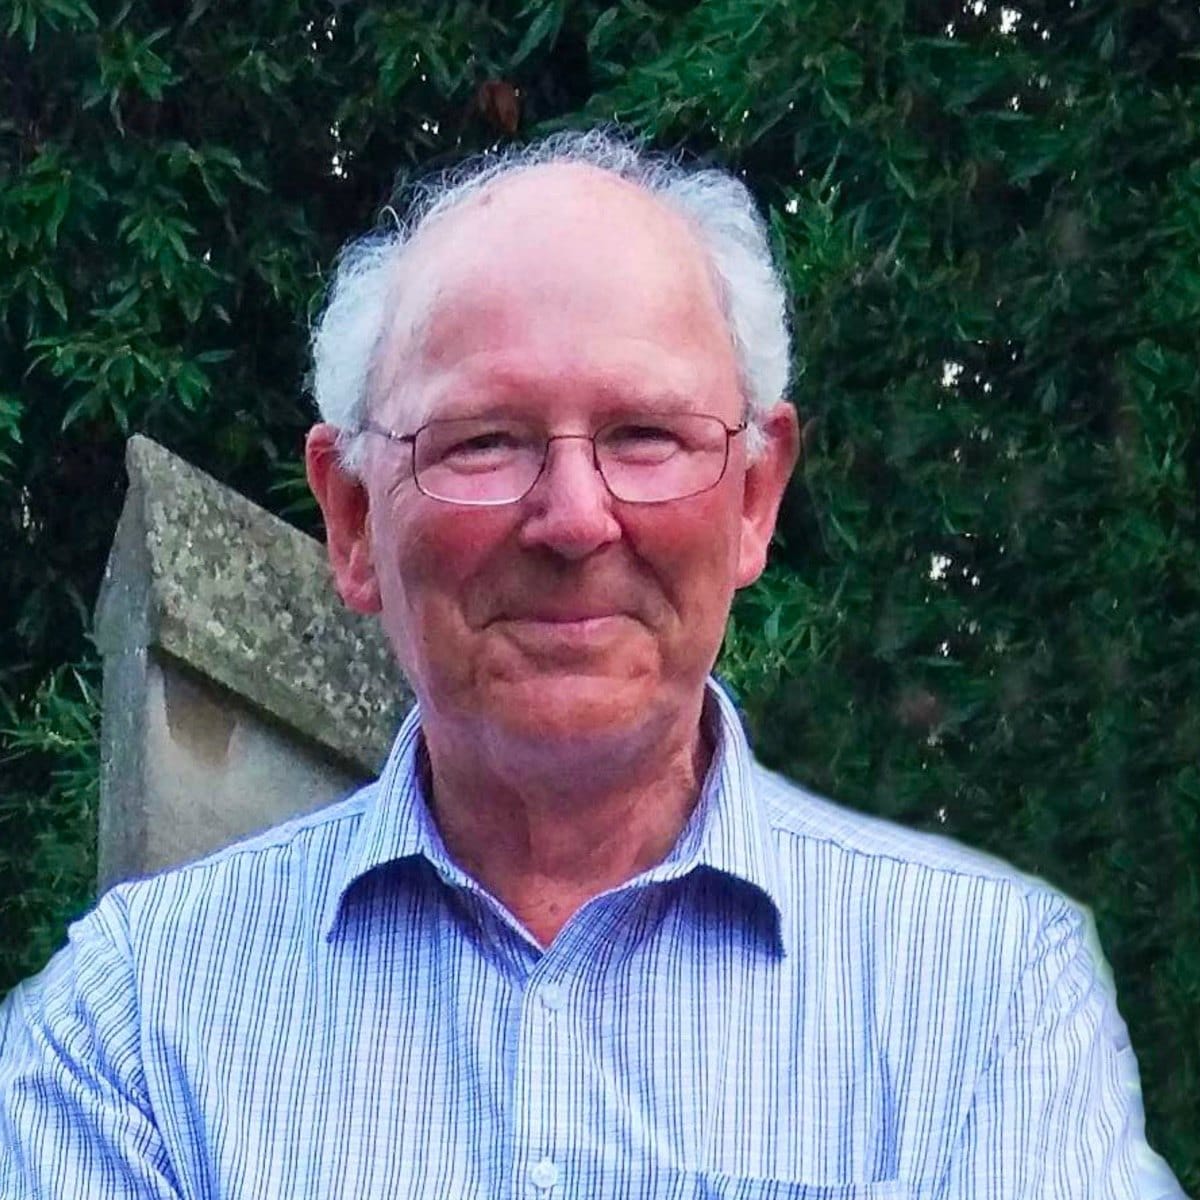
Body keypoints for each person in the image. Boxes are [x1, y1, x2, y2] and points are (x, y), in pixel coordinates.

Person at [0, 131, 1185, 1200]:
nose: (574, 518)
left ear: (755, 499)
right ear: (353, 519)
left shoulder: (983, 1006)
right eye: (483, 440)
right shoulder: (136, 1028)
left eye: (645, 435)